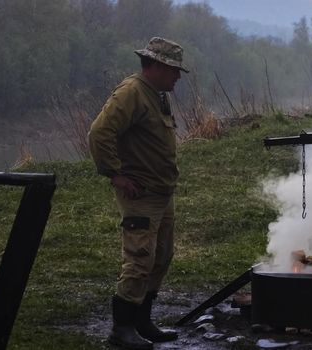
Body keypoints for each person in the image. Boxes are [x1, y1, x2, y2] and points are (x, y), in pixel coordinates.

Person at [88, 37, 188, 349]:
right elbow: (99, 132)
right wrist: (116, 173)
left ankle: (143, 321)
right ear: (157, 66)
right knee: (139, 259)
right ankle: (122, 329)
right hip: (140, 194)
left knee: (161, 256)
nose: (178, 76)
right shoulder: (132, 92)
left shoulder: (157, 95)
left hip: (161, 193)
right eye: (174, 70)